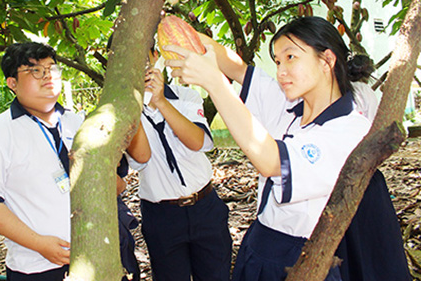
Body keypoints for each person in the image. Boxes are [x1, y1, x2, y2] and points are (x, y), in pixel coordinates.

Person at [163, 16, 380, 280]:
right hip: (259, 243)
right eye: (277, 61)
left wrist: (214, 83)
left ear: (327, 60)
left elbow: (271, 161)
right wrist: (170, 23)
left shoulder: (349, 129)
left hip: (301, 259)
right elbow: (237, 69)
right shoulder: (290, 106)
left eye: (291, 58)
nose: (281, 71)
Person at [0, 42, 83, 281]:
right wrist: (39, 244)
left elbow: (117, 183)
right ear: (12, 83)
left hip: (93, 256)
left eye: (51, 68)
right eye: (35, 70)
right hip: (36, 265)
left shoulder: (80, 123)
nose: (47, 76)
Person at [125, 46, 232, 281]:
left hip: (205, 207)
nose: (139, 65)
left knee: (217, 276)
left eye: (144, 57)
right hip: (161, 215)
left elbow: (196, 141)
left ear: (155, 57)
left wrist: (161, 101)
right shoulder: (124, 114)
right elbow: (141, 157)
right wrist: (132, 106)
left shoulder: (185, 96)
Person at [335, 55, 410, 280]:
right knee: (375, 241)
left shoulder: (342, 91)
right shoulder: (364, 91)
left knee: (353, 241)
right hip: (365, 174)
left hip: (343, 173)